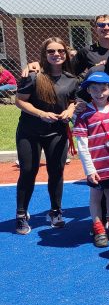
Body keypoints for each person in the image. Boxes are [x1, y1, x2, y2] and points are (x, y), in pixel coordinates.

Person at [14, 37, 78, 234]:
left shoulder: (71, 78)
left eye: (60, 51)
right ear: (44, 54)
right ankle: (21, 214)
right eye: (51, 51)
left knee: (56, 171)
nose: (56, 54)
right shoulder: (34, 76)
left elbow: (74, 100)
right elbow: (19, 100)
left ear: (66, 53)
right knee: (28, 171)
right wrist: (40, 113)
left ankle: (56, 211)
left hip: (57, 132)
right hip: (29, 132)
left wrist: (70, 110)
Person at [73, 72, 109, 247]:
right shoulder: (84, 113)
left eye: (103, 89)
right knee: (95, 196)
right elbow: (82, 145)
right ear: (88, 90)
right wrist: (89, 169)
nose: (99, 93)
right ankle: (99, 229)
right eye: (94, 89)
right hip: (96, 166)